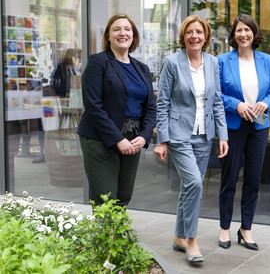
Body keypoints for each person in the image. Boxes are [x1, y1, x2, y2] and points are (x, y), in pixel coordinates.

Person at [154, 15, 228, 264]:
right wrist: (162, 140)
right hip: (179, 135)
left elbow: (217, 101)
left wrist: (222, 135)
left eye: (199, 32)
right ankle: (192, 241)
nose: (194, 36)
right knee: (196, 183)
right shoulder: (172, 62)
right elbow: (162, 103)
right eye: (189, 32)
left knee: (189, 187)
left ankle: (178, 236)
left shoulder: (213, 62)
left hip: (204, 136)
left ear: (206, 37)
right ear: (183, 37)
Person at [77, 14, 156, 207]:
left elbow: (151, 108)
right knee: (105, 199)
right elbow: (93, 106)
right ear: (108, 36)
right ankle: (105, 238)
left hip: (133, 137)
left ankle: (114, 237)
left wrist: (145, 137)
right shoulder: (98, 62)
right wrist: (118, 139)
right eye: (116, 29)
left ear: (133, 35)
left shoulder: (142, 68)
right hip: (99, 139)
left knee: (123, 196)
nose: (123, 33)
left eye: (127, 29)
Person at [218, 14, 270, 251]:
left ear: (254, 33)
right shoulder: (222, 60)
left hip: (259, 125)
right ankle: (224, 227)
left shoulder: (266, 60)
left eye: (247, 30)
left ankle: (246, 228)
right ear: (234, 35)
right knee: (229, 178)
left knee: (253, 179)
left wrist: (266, 103)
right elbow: (217, 94)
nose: (243, 34)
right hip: (234, 125)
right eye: (239, 30)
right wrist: (236, 104)